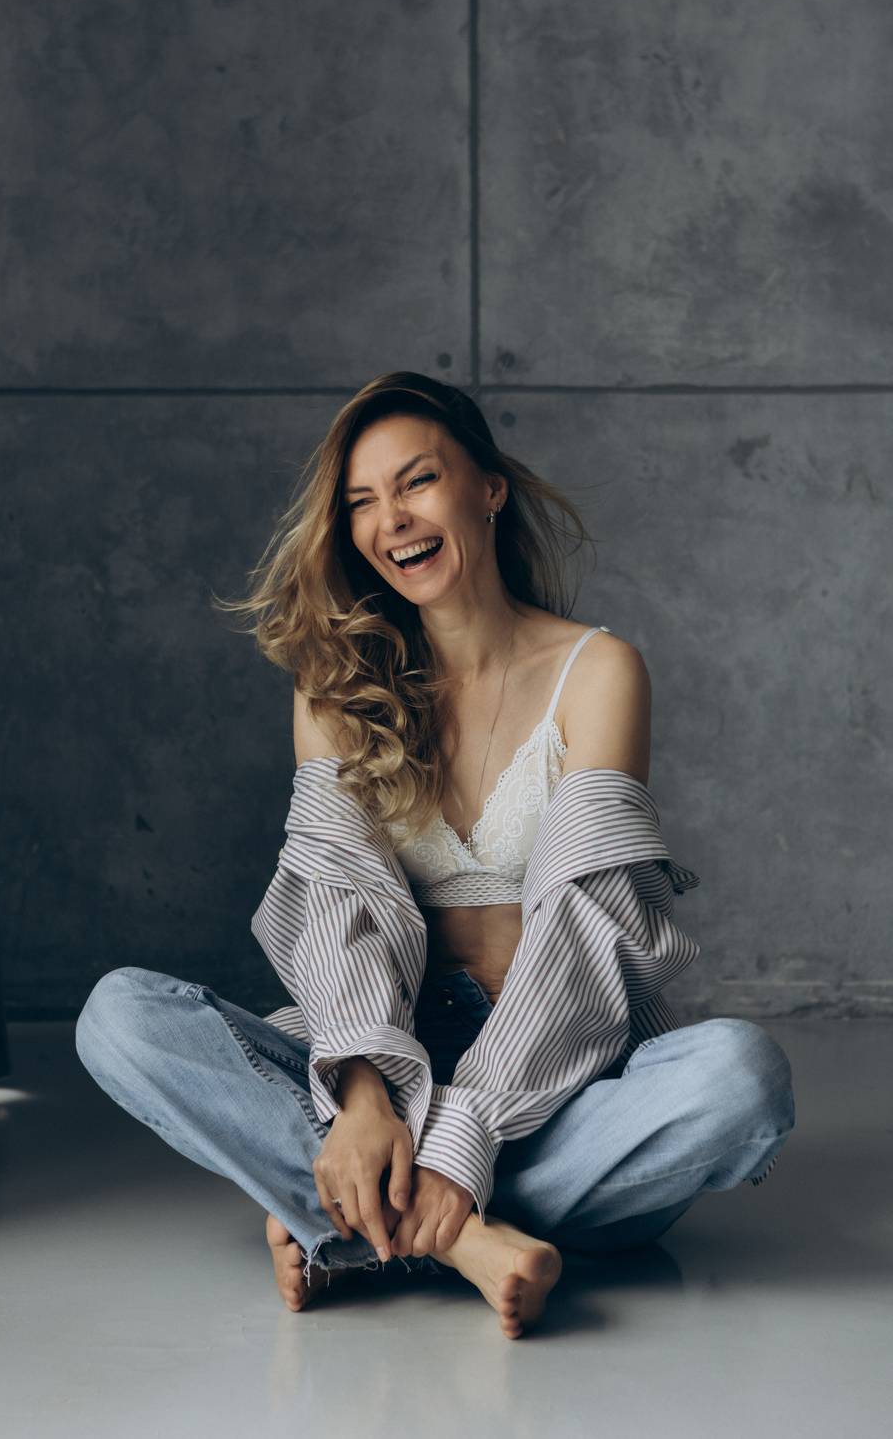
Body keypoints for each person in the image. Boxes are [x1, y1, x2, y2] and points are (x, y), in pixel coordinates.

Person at [75, 372, 796, 1340]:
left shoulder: (598, 671)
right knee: (119, 1016)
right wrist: (364, 1094)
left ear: (488, 489)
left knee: (739, 1077)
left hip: (562, 1065)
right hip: (386, 1053)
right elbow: (336, 918)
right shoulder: (335, 690)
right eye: (362, 501)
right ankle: (465, 1242)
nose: (393, 520)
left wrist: (464, 1136)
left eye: (416, 481)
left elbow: (585, 936)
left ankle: (348, 1217)